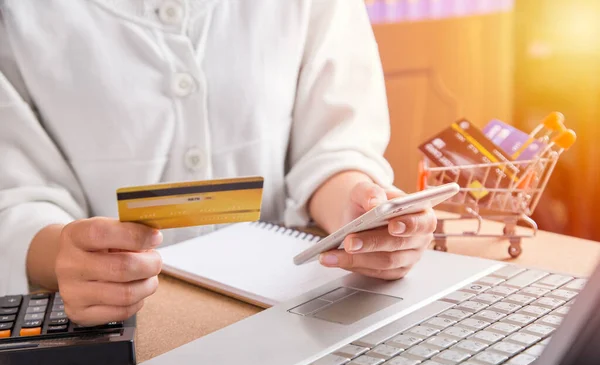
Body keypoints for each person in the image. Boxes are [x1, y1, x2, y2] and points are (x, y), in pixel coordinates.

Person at [0, 0, 436, 325]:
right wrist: (67, 256)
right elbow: (15, 198)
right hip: (121, 324)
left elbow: (333, 146)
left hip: (295, 313)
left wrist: (360, 213)